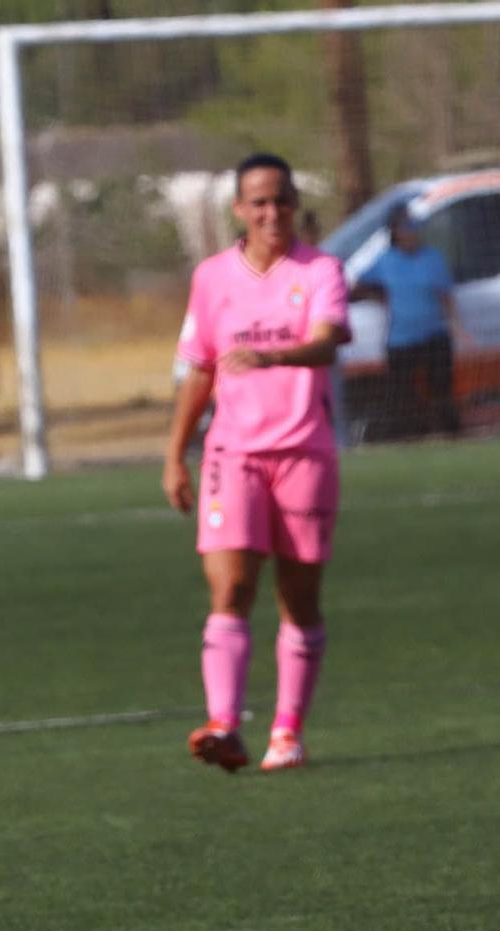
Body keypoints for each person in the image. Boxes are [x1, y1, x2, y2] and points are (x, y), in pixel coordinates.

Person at [164, 152, 351, 774]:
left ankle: (288, 732)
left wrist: (271, 361)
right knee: (232, 588)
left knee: (299, 599)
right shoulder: (213, 277)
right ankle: (224, 724)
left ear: (296, 203)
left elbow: (328, 341)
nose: (273, 212)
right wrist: (174, 455)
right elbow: (200, 370)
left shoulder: (320, 269)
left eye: (282, 200)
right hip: (231, 452)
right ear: (240, 210)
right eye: (259, 202)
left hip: (303, 451)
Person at [351, 208, 463, 439]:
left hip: (434, 335)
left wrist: (455, 324)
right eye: (406, 228)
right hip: (401, 338)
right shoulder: (385, 260)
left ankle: (448, 433)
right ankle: (410, 433)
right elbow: (357, 286)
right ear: (395, 232)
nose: (413, 233)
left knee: (441, 388)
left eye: (415, 227)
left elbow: (445, 294)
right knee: (401, 391)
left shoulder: (432, 257)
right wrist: (379, 297)